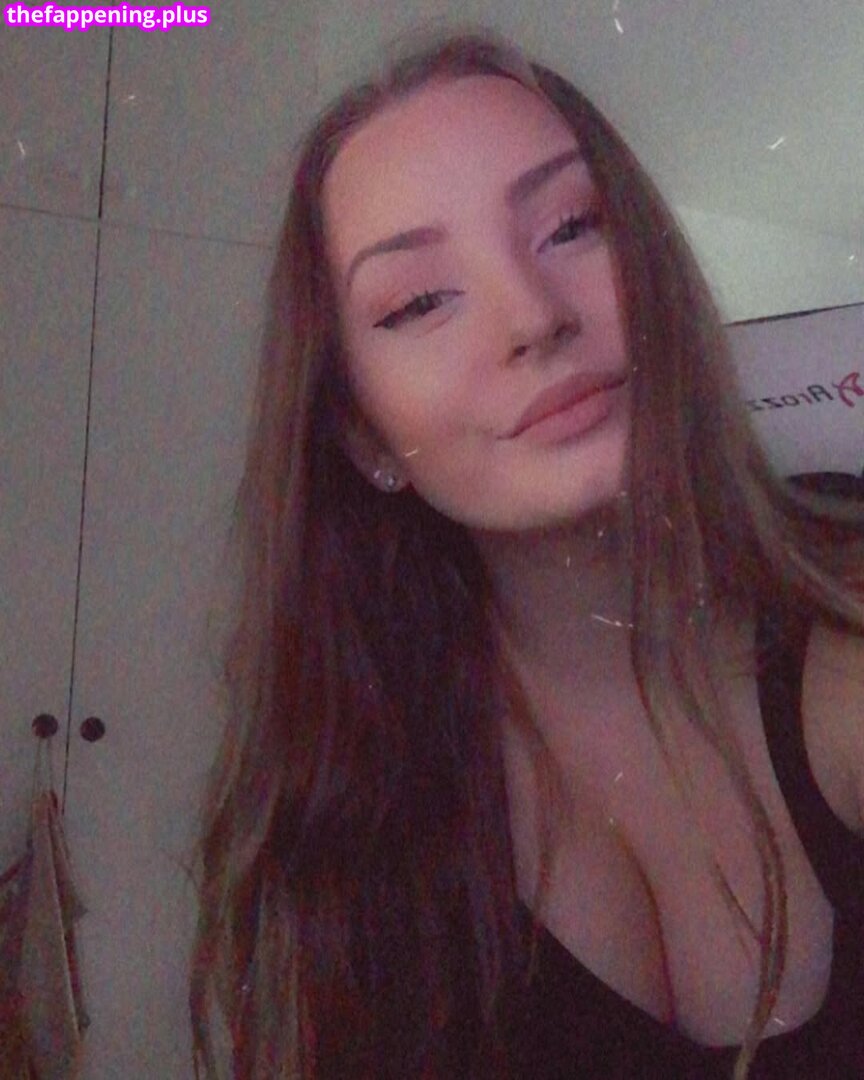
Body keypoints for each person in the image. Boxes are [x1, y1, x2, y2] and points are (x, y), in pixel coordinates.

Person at [189, 24, 864, 1080]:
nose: (532, 318)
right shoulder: (358, 820)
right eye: (419, 301)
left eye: (571, 227)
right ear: (364, 436)